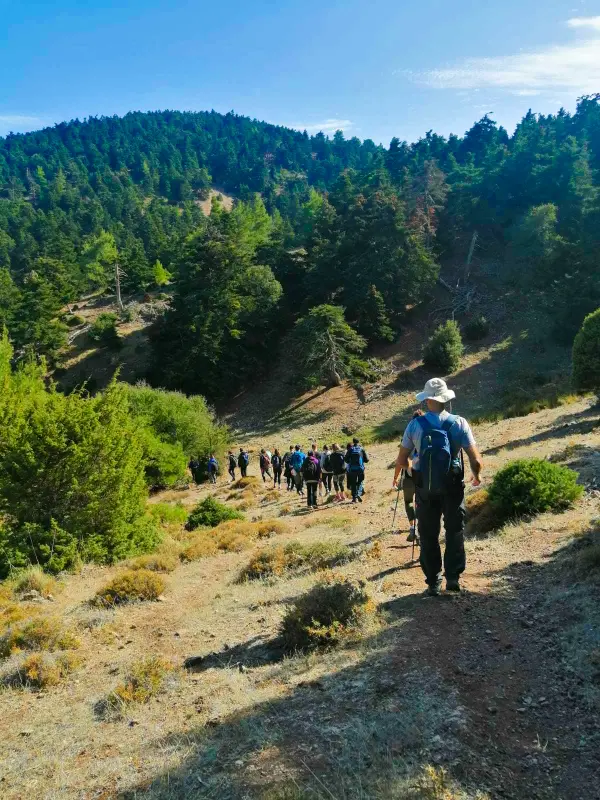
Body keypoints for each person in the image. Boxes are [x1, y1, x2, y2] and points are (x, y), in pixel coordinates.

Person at [394, 377, 483, 597]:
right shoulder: (459, 423)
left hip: (425, 487)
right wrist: (476, 476)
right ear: (445, 399)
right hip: (452, 486)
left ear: (427, 400)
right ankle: (453, 578)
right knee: (454, 531)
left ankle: (433, 581)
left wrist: (411, 473)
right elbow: (475, 460)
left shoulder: (415, 425)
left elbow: (401, 458)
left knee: (428, 534)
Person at [393, 410, 424, 541]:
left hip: (409, 475)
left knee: (408, 502)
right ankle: (422, 528)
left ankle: (413, 528)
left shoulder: (408, 434)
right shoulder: (426, 433)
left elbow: (400, 461)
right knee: (423, 502)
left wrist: (395, 478)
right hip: (424, 475)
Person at [345, 437, 369, 504]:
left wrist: (350, 462)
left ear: (353, 442)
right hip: (360, 469)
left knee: (353, 483)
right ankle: (358, 493)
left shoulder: (350, 449)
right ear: (358, 442)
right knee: (360, 481)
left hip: (352, 469)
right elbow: (367, 460)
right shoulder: (361, 449)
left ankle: (354, 498)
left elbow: (346, 459)